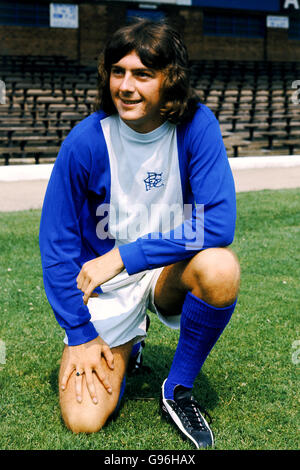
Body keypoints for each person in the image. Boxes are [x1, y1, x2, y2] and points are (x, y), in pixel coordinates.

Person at [39, 17, 240, 449]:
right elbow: (56, 246)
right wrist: (80, 335)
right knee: (83, 420)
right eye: (118, 72)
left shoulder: (196, 125)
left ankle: (178, 389)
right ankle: (129, 344)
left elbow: (219, 222)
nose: (126, 86)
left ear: (170, 79)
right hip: (106, 287)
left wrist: (125, 256)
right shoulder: (86, 141)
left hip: (162, 269)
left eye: (143, 74)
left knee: (220, 268)